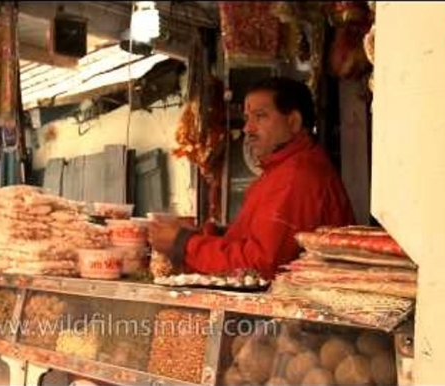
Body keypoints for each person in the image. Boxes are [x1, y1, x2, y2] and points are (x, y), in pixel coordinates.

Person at [149, 77, 355, 279]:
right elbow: (254, 242)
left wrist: (184, 243)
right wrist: (208, 235)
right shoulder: (280, 170)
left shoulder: (297, 176)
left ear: (293, 122)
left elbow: (260, 266)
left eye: (260, 116)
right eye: (248, 118)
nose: (248, 128)